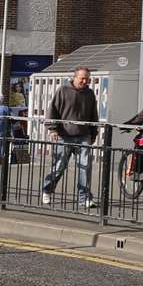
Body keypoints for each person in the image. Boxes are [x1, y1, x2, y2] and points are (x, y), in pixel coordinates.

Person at [43, 67, 99, 208]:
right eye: (82, 78)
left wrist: (93, 133)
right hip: (64, 135)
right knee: (59, 167)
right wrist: (53, 129)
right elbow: (52, 111)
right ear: (74, 77)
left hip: (83, 136)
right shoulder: (63, 90)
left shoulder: (90, 93)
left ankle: (84, 198)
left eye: (87, 79)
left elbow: (94, 116)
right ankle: (47, 190)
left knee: (85, 168)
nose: (85, 81)